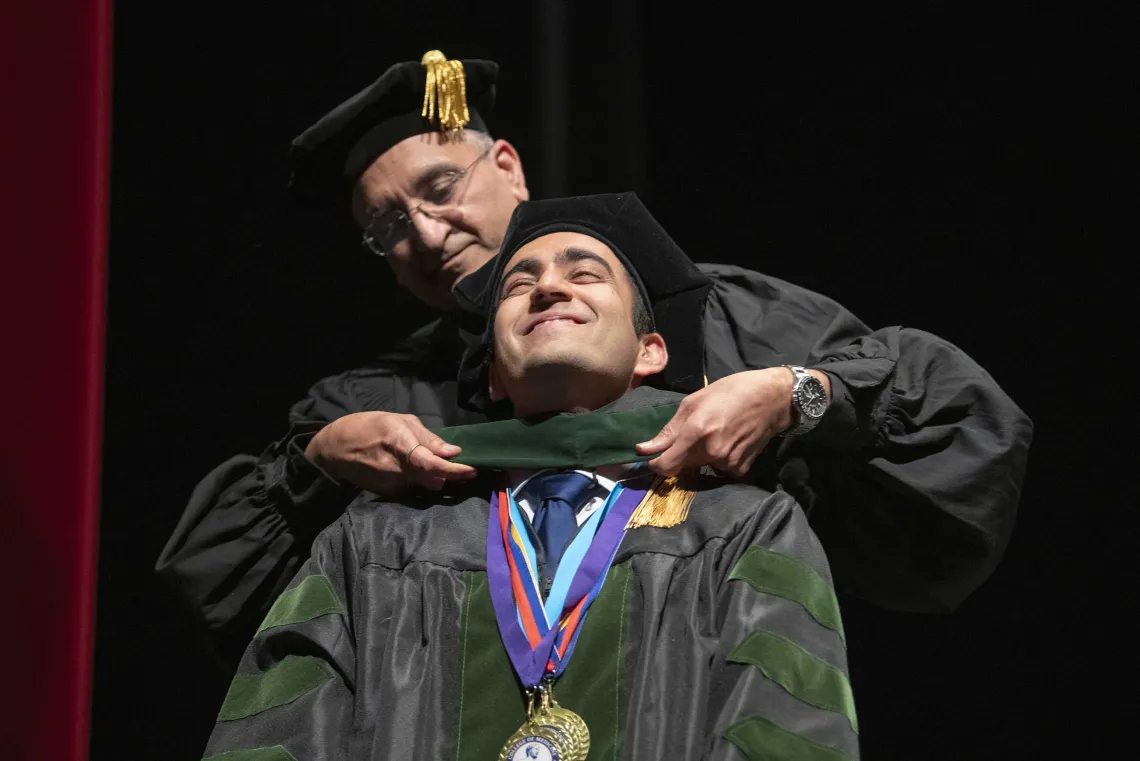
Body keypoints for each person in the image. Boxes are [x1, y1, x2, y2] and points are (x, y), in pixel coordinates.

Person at [158, 51, 1033, 665]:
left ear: (507, 165)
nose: (425, 235)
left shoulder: (725, 317)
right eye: (386, 228)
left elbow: (954, 417)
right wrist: (314, 463)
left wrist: (796, 392)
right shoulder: (382, 400)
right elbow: (224, 589)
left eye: (439, 189)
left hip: (706, 688)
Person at [200, 194, 861, 761]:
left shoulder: (741, 527)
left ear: (650, 352)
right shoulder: (377, 544)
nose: (549, 287)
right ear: (493, 374)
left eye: (586, 273)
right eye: (520, 283)